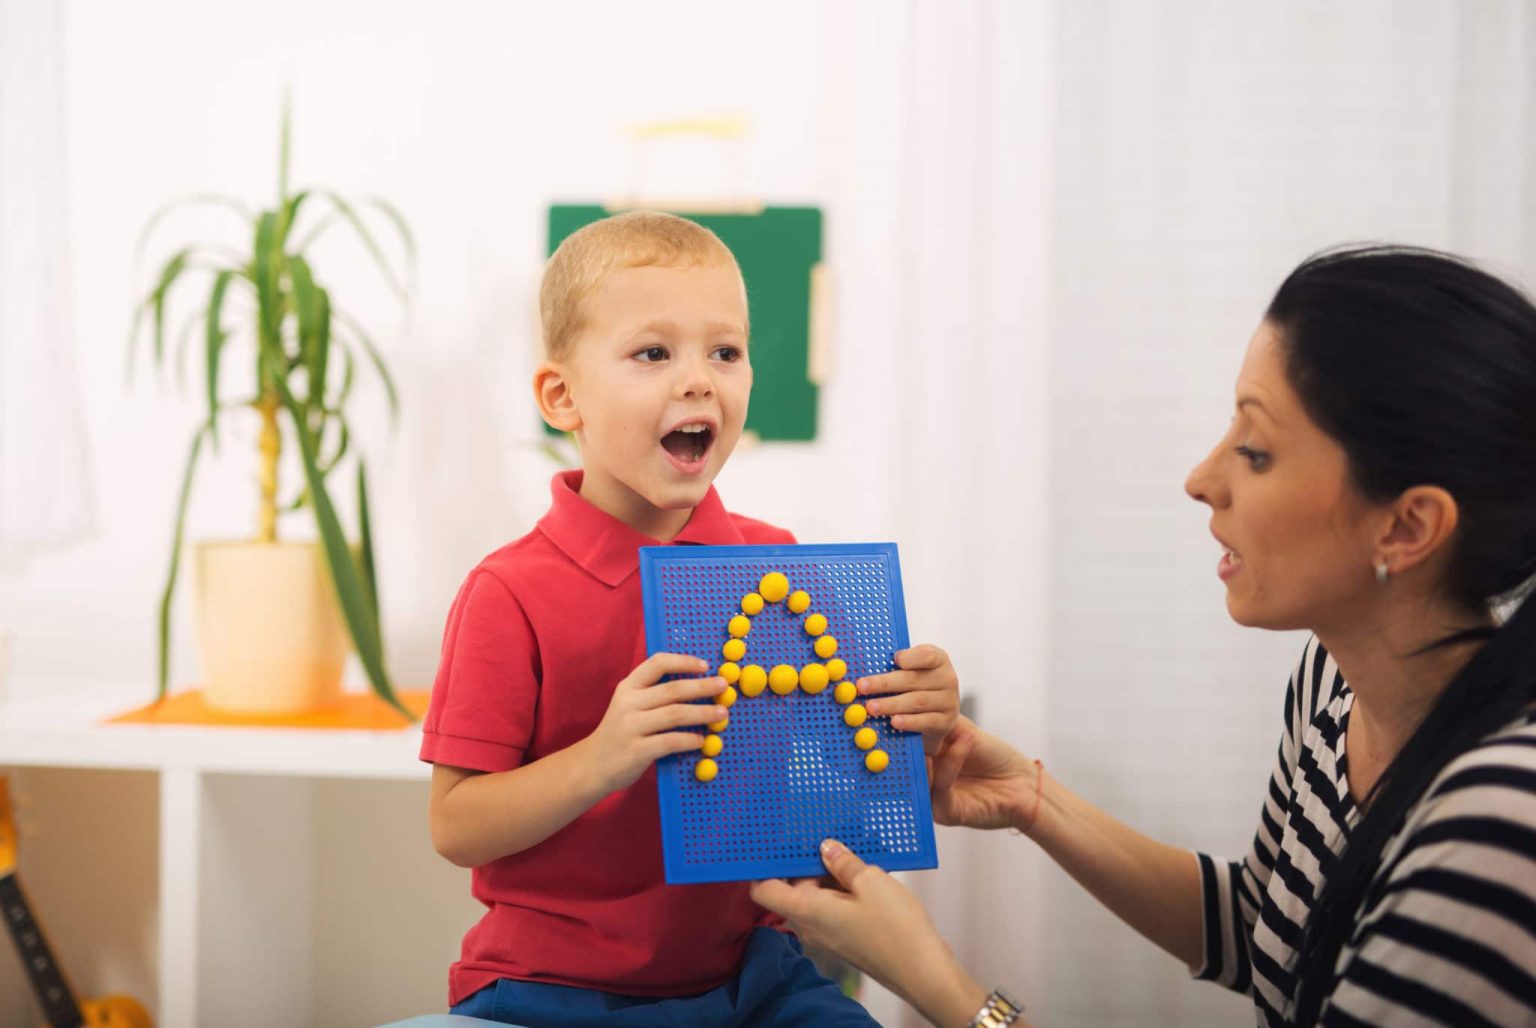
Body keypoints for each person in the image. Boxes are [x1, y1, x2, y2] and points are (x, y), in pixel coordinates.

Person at [753, 246, 1536, 1027]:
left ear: (1408, 526)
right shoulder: (1334, 684)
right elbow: (1264, 929)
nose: (1202, 478)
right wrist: (1034, 800)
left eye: (1256, 452)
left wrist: (940, 986)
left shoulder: (1497, 828)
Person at [420, 210, 961, 1027]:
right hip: (549, 992)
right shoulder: (508, 592)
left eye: (725, 352)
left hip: (756, 980)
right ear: (563, 398)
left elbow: (857, 759)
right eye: (652, 353)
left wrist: (918, 710)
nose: (700, 379)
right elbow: (458, 825)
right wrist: (603, 757)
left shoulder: (777, 567)